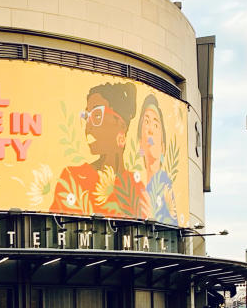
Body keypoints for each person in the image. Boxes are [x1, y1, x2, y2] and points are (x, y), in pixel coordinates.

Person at [50, 82, 149, 218]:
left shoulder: (136, 186)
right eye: (86, 117)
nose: (88, 126)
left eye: (96, 115)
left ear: (121, 124)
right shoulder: (73, 178)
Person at [136, 94, 178, 225]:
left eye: (156, 125)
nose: (150, 130)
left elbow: (172, 222)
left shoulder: (165, 186)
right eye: (146, 122)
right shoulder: (136, 186)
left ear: (163, 147)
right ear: (140, 143)